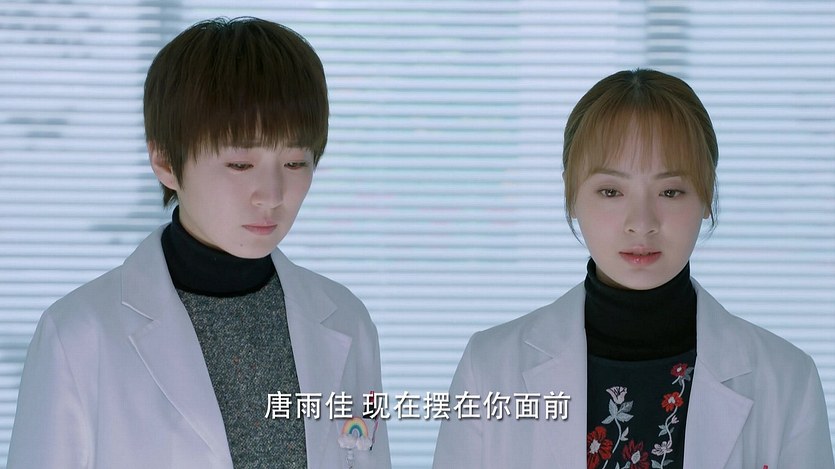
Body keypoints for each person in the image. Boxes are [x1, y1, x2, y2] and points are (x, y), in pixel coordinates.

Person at [8, 17, 390, 469]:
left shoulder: (346, 320)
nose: (271, 195)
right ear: (166, 162)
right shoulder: (78, 335)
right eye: (240, 165)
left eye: (294, 163)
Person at [432, 69, 834, 468]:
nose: (641, 223)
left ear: (707, 194)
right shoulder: (489, 368)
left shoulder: (787, 381)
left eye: (670, 191)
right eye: (611, 191)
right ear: (572, 195)